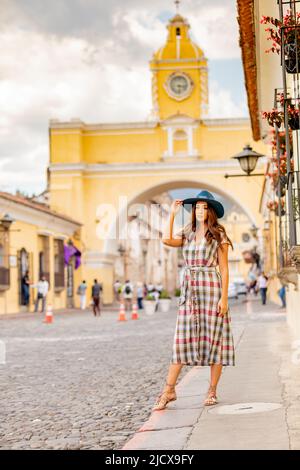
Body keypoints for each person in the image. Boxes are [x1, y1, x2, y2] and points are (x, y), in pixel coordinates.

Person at [152, 190, 235, 411]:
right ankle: (169, 390)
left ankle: (212, 390)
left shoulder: (219, 236)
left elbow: (224, 269)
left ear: (211, 212)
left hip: (211, 289)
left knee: (215, 341)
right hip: (190, 292)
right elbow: (166, 239)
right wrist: (172, 214)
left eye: (204, 208)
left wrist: (224, 298)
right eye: (197, 207)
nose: (200, 211)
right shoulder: (187, 233)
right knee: (181, 340)